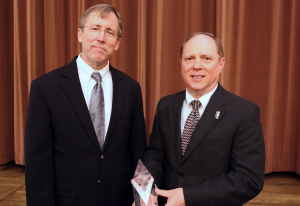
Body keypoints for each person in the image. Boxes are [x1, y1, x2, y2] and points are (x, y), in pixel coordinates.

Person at [25, 4, 147, 206]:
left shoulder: (131, 88)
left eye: (110, 32)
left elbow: (138, 152)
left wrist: (143, 197)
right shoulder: (45, 87)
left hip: (119, 200)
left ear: (117, 43)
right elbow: (38, 161)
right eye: (95, 28)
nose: (101, 37)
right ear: (80, 34)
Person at [142, 32, 265, 206]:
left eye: (206, 58)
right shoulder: (166, 106)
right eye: (189, 58)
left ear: (221, 64)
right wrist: (144, 189)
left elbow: (248, 179)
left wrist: (187, 196)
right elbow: (155, 154)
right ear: (181, 63)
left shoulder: (244, 113)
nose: (197, 66)